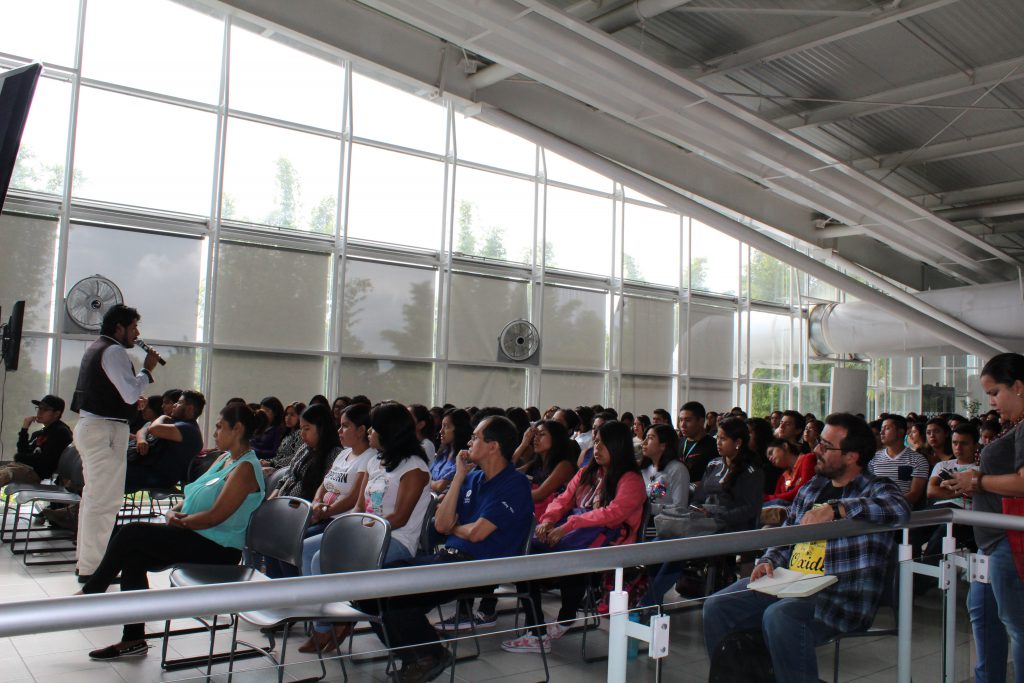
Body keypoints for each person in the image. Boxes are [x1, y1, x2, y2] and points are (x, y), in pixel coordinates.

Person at [702, 413, 911, 683]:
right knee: (718, 605)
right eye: (818, 443)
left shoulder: (876, 488)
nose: (816, 450)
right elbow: (786, 535)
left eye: (826, 446)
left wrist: (838, 509)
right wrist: (769, 559)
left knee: (781, 616)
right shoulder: (813, 487)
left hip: (836, 595)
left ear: (852, 456)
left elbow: (900, 509)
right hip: (790, 581)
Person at [80, 403, 265, 661]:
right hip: (195, 535)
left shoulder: (245, 469)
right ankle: (133, 639)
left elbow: (215, 517)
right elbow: (192, 494)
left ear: (238, 429)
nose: (214, 433)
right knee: (133, 557)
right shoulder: (224, 459)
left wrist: (182, 522)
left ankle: (91, 595)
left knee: (131, 533)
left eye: (220, 427)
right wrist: (171, 513)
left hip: (217, 549)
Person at [363, 415, 532, 683]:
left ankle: (428, 655)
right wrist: (459, 477)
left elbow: (477, 534)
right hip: (450, 556)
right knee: (371, 584)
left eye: (475, 437)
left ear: (493, 446)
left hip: (478, 565)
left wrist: (455, 528)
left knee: (395, 593)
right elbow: (441, 524)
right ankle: (419, 656)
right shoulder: (473, 478)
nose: (469, 442)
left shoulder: (515, 484)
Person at [504, 420, 645, 654]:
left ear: (618, 446)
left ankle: (542, 630)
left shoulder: (631, 480)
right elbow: (563, 500)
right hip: (580, 539)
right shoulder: (588, 472)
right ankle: (550, 624)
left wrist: (568, 525)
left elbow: (611, 514)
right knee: (525, 552)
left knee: (534, 559)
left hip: (611, 545)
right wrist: (549, 520)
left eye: (602, 444)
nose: (596, 448)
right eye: (596, 442)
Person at [946, 352, 1024, 683]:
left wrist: (977, 481)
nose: (991, 402)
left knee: (1016, 628)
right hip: (994, 542)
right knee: (986, 619)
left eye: (994, 392)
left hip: (1009, 541)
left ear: (1018, 386)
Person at [70, 304, 160, 583]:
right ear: (119, 327)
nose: (137, 333)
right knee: (104, 502)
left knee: (94, 499)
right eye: (133, 327)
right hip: (104, 430)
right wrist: (146, 371)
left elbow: (120, 394)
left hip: (94, 426)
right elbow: (131, 393)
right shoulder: (114, 351)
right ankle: (94, 569)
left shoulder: (97, 347)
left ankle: (87, 563)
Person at [297, 402, 378, 653]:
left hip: (341, 522)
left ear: (362, 429)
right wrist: (317, 503)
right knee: (301, 547)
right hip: (326, 517)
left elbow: (356, 499)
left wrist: (325, 511)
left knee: (312, 551)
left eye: (345, 426)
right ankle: (322, 616)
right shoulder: (344, 453)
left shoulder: (369, 458)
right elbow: (325, 483)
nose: (339, 431)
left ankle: (328, 621)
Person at [358, 401, 432, 565]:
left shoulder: (413, 468)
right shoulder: (374, 461)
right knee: (308, 551)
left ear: (388, 432)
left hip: (397, 539)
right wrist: (350, 528)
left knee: (329, 557)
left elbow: (399, 518)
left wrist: (362, 531)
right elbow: (359, 507)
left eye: (374, 428)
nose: (369, 431)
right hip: (367, 532)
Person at [125, 390, 205, 492]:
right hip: (146, 468)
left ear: (190, 409)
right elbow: (144, 429)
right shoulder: (177, 423)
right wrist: (141, 439)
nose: (175, 405)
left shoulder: (189, 429)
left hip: (159, 477)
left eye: (179, 402)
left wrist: (162, 416)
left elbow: (154, 429)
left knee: (111, 470)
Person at [2, 395, 72, 486]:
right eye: (39, 408)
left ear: (56, 414)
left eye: (45, 409)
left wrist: (20, 457)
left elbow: (46, 461)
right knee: (5, 471)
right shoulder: (39, 433)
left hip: (32, 473)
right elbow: (22, 451)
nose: (40, 412)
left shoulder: (61, 432)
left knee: (6, 474)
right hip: (20, 468)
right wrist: (25, 429)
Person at [868, 415, 929, 508]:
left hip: (902, 511)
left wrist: (888, 505)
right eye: (881, 428)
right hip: (875, 510)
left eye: (887, 428)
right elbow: (868, 488)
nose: (881, 432)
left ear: (900, 432)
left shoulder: (918, 460)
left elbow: (914, 494)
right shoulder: (873, 459)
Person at [641, 423, 688, 514]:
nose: (644, 442)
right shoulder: (645, 468)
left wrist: (648, 508)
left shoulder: (677, 470)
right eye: (645, 438)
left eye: (650, 438)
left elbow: (680, 508)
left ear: (663, 445)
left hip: (663, 524)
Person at [429, 409, 472, 495]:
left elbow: (440, 486)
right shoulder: (444, 452)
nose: (441, 431)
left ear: (459, 429)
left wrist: (426, 482)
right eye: (442, 426)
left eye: (446, 426)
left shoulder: (464, 456)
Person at [762, 438, 816, 506]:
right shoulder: (782, 478)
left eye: (771, 452)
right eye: (768, 458)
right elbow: (774, 503)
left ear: (785, 446)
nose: (770, 458)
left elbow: (802, 491)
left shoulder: (807, 459)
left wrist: (766, 498)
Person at [260, 400, 305, 476]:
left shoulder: (300, 434)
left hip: (287, 469)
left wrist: (271, 463)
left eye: (292, 415)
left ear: (301, 416)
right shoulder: (287, 435)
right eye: (286, 414)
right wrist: (266, 461)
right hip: (278, 466)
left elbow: (296, 457)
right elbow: (279, 456)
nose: (288, 417)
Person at [677, 401, 717, 482]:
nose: (682, 425)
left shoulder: (714, 446)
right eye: (681, 420)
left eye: (687, 420)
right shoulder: (678, 442)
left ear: (701, 421)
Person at [250, 396, 285, 462]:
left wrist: (254, 451)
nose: (264, 414)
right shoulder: (259, 425)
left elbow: (275, 452)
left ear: (275, 413)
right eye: (262, 411)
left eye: (267, 411)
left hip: (264, 462)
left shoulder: (278, 430)